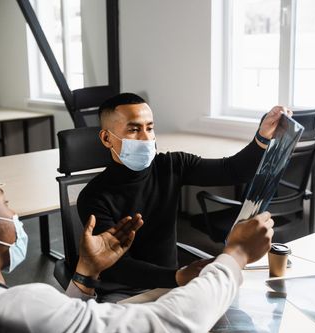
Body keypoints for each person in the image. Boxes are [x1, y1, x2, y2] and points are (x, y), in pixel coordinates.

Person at [0, 152, 274, 333]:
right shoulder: (19, 308)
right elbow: (167, 328)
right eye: (5, 204)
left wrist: (85, 274)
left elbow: (53, 332)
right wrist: (235, 256)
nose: (14, 213)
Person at [77, 92, 291, 302]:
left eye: (150, 128)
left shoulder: (172, 165)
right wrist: (178, 277)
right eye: (134, 130)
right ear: (106, 138)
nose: (146, 137)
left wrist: (262, 138)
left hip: (174, 283)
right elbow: (117, 266)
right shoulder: (94, 196)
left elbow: (233, 170)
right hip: (125, 291)